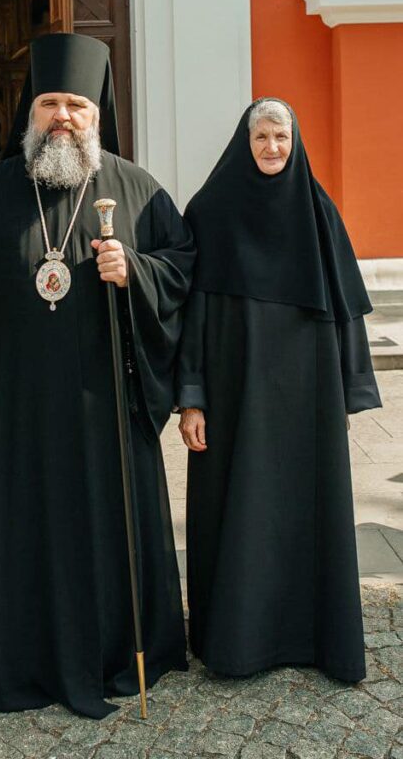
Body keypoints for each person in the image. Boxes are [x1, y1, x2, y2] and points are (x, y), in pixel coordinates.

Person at [0, 32, 196, 717]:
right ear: (30, 111)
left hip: (105, 409)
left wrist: (135, 272)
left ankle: (115, 648)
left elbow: (183, 271)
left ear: (97, 115)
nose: (63, 117)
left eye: (77, 105)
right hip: (12, 411)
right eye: (50, 102)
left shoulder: (136, 190)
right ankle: (18, 651)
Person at [175, 98, 381, 683]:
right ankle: (238, 643)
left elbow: (345, 311)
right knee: (238, 512)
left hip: (306, 399)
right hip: (233, 395)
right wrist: (192, 396)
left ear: (295, 142)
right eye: (261, 137)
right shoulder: (210, 211)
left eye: (281, 137)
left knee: (305, 514)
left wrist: (347, 390)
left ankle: (313, 638)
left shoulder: (318, 213)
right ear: (245, 142)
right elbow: (192, 314)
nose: (272, 147)